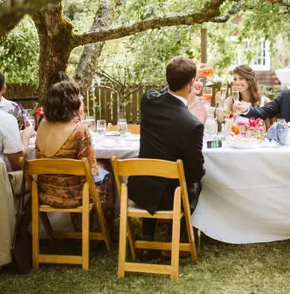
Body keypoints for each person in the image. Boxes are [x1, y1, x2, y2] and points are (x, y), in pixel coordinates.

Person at [128, 56, 205, 256]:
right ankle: (176, 241)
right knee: (195, 183)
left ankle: (147, 240)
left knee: (156, 179)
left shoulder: (148, 101)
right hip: (170, 198)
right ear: (191, 83)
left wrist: (180, 77)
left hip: (140, 188)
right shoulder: (192, 124)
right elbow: (195, 170)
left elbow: (162, 92)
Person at [35, 81, 113, 225]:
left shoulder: (42, 126)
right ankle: (102, 230)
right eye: (79, 95)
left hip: (45, 194)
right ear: (72, 102)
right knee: (108, 168)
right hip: (76, 196)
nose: (82, 98)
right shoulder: (79, 131)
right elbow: (91, 171)